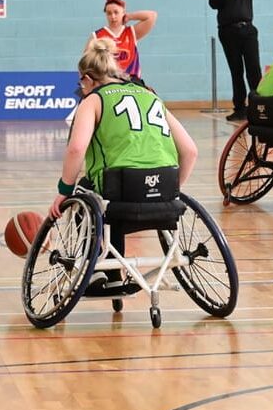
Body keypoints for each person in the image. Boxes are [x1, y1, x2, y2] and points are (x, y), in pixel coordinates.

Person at [50, 38, 197, 290]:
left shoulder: (93, 100)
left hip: (120, 193)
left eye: (80, 83)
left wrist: (63, 192)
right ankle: (115, 269)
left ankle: (96, 269)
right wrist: (172, 192)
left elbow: (76, 149)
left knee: (86, 191)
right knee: (109, 189)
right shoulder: (150, 95)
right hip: (164, 189)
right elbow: (190, 151)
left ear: (87, 78)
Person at [208, 0, 265, 122]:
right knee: (236, 71)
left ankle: (259, 106)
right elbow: (213, 3)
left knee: (253, 70)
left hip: (247, 29)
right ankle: (240, 108)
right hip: (228, 31)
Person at [89, 0, 156, 80]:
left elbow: (152, 16)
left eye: (116, 12)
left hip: (131, 82)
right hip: (108, 83)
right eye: (109, 13)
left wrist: (130, 16)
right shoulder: (96, 35)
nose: (113, 16)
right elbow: (86, 63)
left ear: (123, 12)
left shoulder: (132, 32)